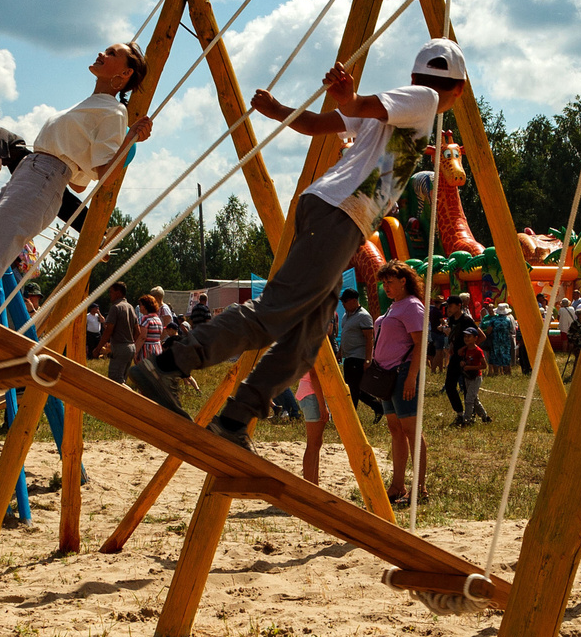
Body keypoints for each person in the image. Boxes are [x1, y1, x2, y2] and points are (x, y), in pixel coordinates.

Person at [130, 41, 474, 451]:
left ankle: (236, 418)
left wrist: (278, 111)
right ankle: (168, 363)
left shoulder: (401, 109)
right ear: (460, 90)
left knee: (307, 337)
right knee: (273, 313)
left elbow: (315, 125)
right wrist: (350, 97)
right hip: (338, 213)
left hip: (335, 214)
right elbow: (363, 105)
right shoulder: (426, 99)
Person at [372, 266, 431, 503]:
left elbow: (420, 343)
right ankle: (398, 486)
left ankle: (420, 488)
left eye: (390, 282)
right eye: (383, 283)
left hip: (403, 372)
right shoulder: (394, 306)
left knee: (411, 431)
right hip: (387, 375)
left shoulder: (412, 306)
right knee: (395, 430)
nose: (386, 287)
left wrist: (411, 377)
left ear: (404, 281)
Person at [336, 289, 380, 419]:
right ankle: (377, 406)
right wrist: (340, 352)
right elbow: (346, 335)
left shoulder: (363, 316)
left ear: (354, 301)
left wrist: (368, 359)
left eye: (345, 301)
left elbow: (369, 338)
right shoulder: (347, 315)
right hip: (348, 357)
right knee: (354, 387)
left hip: (358, 357)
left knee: (353, 389)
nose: (343, 304)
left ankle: (351, 416)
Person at [451, 322, 490, 425]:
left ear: (475, 338)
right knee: (474, 400)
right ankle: (485, 417)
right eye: (465, 336)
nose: (466, 339)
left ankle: (466, 420)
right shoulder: (465, 350)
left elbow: (484, 366)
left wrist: (470, 367)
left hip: (476, 377)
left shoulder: (478, 351)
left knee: (469, 400)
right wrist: (463, 363)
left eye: (469, 336)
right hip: (468, 377)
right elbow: (465, 361)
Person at [293, 369, 328, 484]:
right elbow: (314, 374)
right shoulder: (316, 350)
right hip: (312, 393)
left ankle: (313, 484)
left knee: (316, 443)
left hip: (310, 392)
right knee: (313, 444)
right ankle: (309, 487)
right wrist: (322, 405)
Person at [100, 282, 139, 382]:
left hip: (120, 348)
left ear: (118, 293)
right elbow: (137, 331)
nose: (110, 295)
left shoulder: (115, 307)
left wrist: (98, 348)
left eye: (111, 292)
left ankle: (132, 397)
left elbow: (109, 330)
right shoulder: (130, 307)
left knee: (115, 381)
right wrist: (130, 342)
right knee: (122, 380)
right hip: (130, 347)